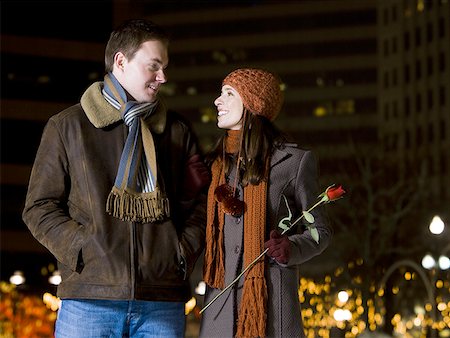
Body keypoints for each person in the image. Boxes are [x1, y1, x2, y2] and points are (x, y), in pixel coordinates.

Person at [22, 19, 210, 337]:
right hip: (88, 301)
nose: (163, 77)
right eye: (154, 66)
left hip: (161, 302)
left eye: (164, 67)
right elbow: (39, 207)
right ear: (121, 61)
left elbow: (203, 202)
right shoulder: (68, 126)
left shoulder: (177, 131)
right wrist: (84, 248)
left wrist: (179, 253)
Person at [199, 68, 332, 338]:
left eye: (228, 93)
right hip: (220, 309)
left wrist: (291, 247)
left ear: (252, 103)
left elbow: (321, 232)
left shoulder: (294, 162)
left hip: (272, 308)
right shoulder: (213, 165)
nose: (217, 101)